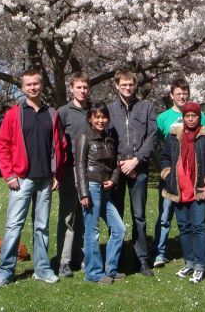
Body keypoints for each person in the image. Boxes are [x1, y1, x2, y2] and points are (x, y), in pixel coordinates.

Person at [0, 69, 67, 287]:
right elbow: (3, 145)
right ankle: (5, 272)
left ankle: (42, 269)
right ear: (23, 88)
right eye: (28, 85)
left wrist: (57, 174)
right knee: (14, 225)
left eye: (36, 84)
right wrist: (9, 175)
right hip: (22, 179)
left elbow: (60, 145)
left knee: (41, 227)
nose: (33, 88)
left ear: (41, 85)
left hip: (45, 179)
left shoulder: (52, 114)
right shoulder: (14, 114)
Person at [152, 77, 205, 268]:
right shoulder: (163, 118)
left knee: (197, 221)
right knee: (165, 215)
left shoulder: (200, 116)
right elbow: (157, 144)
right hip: (172, 178)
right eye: (178, 94)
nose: (181, 97)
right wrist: (165, 171)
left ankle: (201, 257)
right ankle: (160, 252)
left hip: (193, 178)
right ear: (171, 96)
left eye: (184, 94)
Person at [160, 102, 205, 284]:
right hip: (178, 190)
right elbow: (164, 158)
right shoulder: (173, 135)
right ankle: (190, 261)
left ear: (199, 117)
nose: (191, 119)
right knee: (184, 227)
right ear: (183, 117)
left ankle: (201, 265)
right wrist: (167, 174)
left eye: (194, 116)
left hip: (198, 190)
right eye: (187, 116)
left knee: (200, 227)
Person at [108, 69, 157, 277]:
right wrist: (120, 163)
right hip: (117, 171)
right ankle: (116, 259)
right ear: (116, 85)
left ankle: (142, 259)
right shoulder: (109, 110)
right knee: (116, 216)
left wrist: (136, 161)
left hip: (140, 169)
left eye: (131, 84)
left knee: (139, 216)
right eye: (124, 84)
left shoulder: (146, 107)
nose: (128, 88)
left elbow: (152, 136)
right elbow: (106, 139)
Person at [75, 101, 126, 284]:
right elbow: (79, 165)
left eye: (104, 117)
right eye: (97, 117)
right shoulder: (84, 136)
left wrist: (113, 179)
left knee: (119, 229)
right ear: (90, 118)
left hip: (105, 190)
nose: (101, 120)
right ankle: (93, 272)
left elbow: (116, 164)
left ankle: (110, 269)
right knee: (92, 231)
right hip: (91, 186)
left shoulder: (109, 137)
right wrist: (83, 193)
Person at [56, 72, 90, 277]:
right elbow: (56, 143)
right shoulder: (63, 112)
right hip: (69, 171)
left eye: (85, 87)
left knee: (86, 216)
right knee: (68, 216)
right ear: (71, 88)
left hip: (89, 171)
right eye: (79, 87)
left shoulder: (93, 111)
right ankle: (64, 261)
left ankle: (84, 256)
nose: (82, 91)